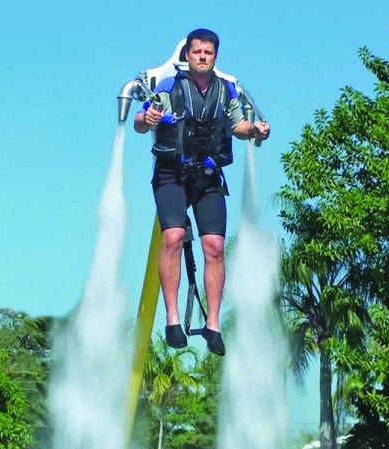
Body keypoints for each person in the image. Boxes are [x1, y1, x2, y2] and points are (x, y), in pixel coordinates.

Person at [134, 28, 269, 356]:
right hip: (171, 174)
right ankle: (173, 318)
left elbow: (238, 126)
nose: (203, 56)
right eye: (197, 52)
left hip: (207, 176)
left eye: (208, 52)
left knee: (215, 246)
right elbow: (141, 120)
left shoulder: (226, 92)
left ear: (215, 57)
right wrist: (147, 118)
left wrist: (254, 128)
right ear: (188, 55)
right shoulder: (170, 86)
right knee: (173, 237)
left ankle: (213, 325)